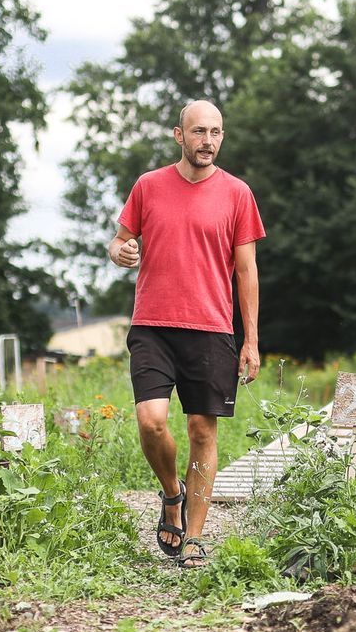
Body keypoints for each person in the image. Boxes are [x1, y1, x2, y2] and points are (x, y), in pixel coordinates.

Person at [108, 100, 264, 569]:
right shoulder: (148, 186)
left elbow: (247, 272)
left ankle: (194, 535)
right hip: (152, 324)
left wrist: (251, 339)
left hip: (212, 328)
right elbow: (119, 239)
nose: (208, 141)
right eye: (199, 132)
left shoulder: (237, 193)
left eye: (216, 132)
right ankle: (171, 492)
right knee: (152, 420)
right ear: (179, 135)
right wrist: (120, 250)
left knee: (201, 430)